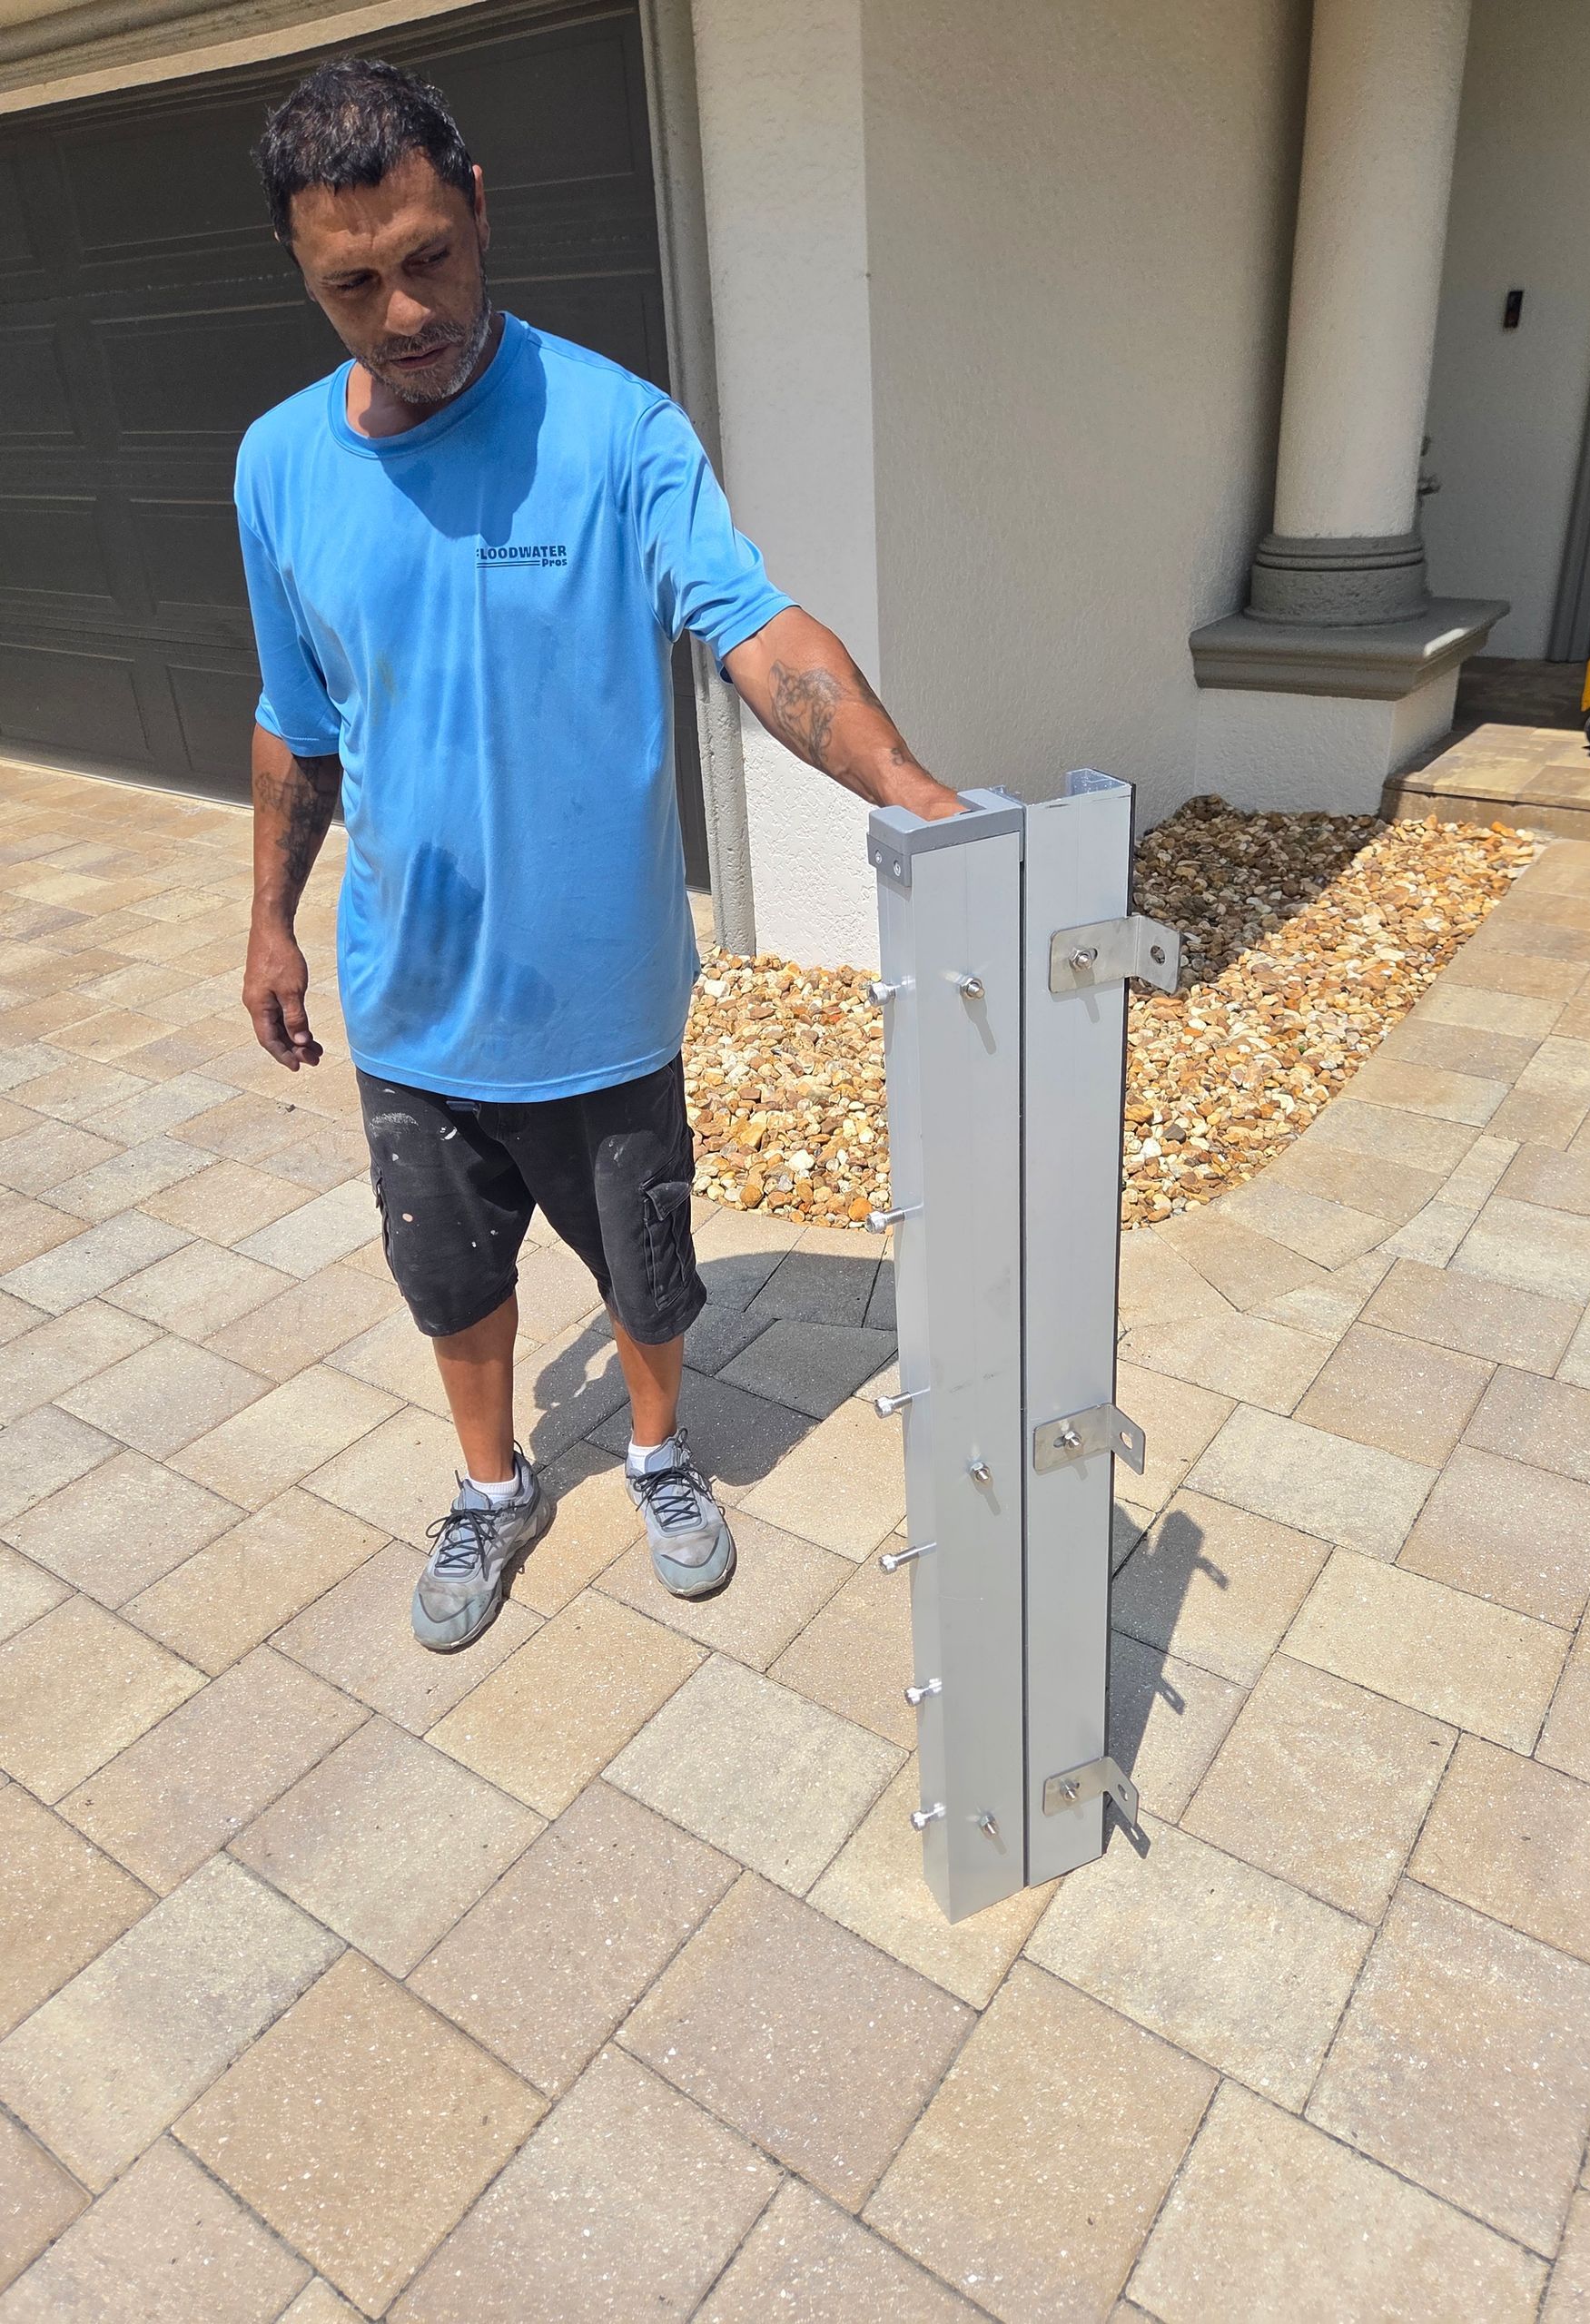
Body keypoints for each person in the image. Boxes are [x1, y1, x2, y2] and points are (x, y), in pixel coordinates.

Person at [237, 56, 959, 1651]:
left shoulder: (619, 428)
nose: (403, 310)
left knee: (647, 1275)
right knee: (453, 1284)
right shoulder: (277, 465)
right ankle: (493, 1488)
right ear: (303, 270)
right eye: (353, 283)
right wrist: (271, 924)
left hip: (608, 999)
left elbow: (753, 630)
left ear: (480, 206)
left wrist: (904, 785)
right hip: (413, 1001)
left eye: (427, 255)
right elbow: (299, 720)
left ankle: (653, 1448)